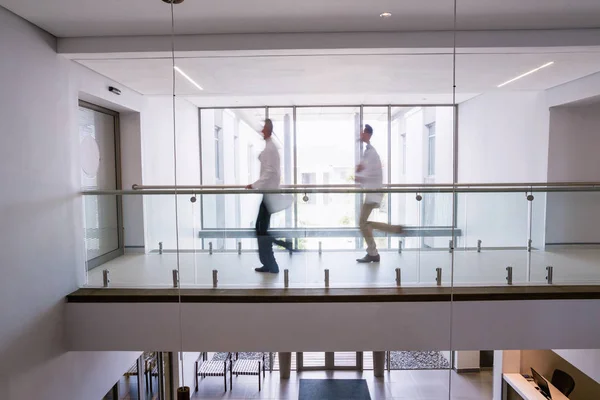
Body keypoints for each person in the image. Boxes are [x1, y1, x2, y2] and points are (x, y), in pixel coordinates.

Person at [245, 119, 290, 273]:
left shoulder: (270, 148)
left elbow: (270, 172)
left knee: (261, 229)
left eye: (263, 128)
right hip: (268, 193)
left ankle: (273, 262)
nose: (261, 131)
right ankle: (270, 262)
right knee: (261, 229)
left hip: (269, 193)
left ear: (268, 130)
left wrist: (254, 185)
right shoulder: (269, 148)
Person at [355, 124, 404, 263]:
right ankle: (373, 252)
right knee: (364, 224)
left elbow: (369, 172)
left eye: (362, 132)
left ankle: (375, 251)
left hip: (373, 192)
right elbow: (365, 169)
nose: (360, 135)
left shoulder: (371, 152)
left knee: (362, 223)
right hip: (372, 192)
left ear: (368, 134)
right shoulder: (369, 151)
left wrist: (360, 175)